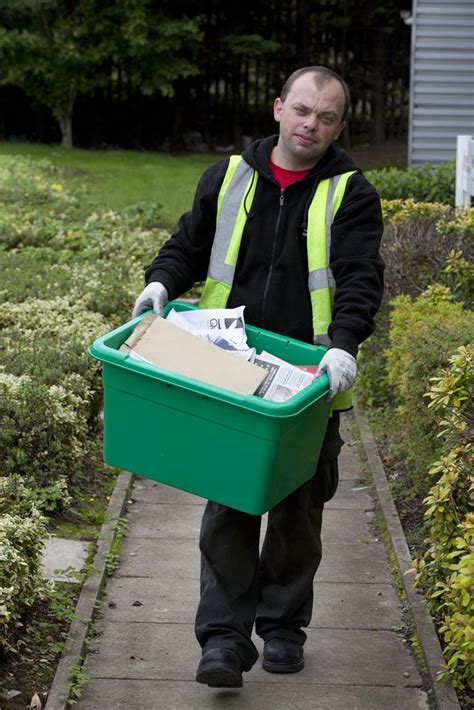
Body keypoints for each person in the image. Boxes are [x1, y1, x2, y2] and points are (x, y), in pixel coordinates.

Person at [132, 65, 384, 688]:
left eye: (326, 118)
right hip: (230, 367)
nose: (310, 125)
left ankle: (282, 628)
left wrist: (344, 345)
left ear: (339, 126)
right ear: (277, 109)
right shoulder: (229, 176)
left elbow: (359, 277)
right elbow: (190, 242)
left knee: (299, 508)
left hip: (308, 378)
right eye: (301, 110)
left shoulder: (350, 191)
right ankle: (221, 638)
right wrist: (162, 280)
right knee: (229, 502)